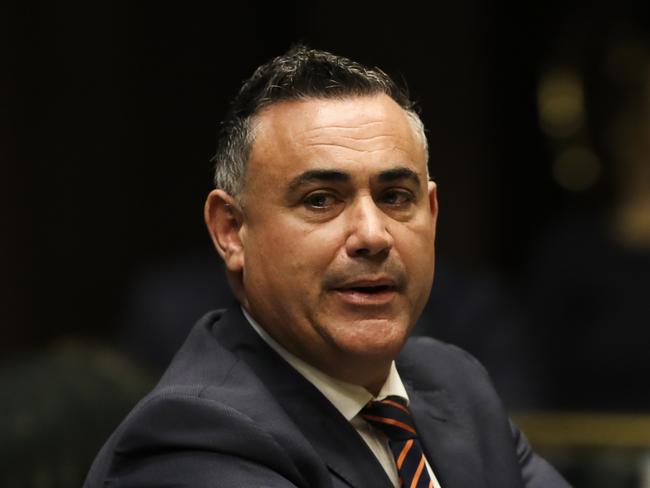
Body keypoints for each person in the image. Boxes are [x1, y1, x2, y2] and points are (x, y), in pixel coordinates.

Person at [85, 46, 569, 487]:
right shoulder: (191, 438)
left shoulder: (455, 383)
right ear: (231, 231)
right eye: (320, 201)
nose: (373, 235)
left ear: (433, 214)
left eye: (396, 197)